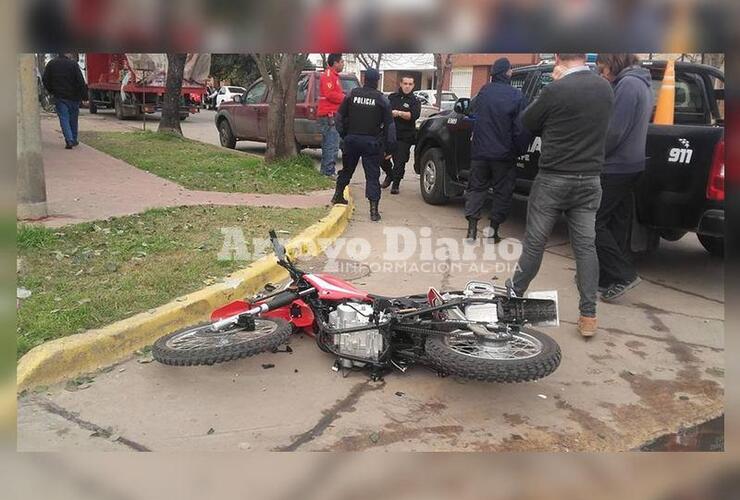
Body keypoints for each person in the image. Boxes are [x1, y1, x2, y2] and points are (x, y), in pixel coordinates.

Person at [506, 54, 614, 338]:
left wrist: (551, 87)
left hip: (554, 178)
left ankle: (513, 295)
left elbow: (528, 120)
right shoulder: (604, 87)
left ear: (557, 59)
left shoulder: (556, 89)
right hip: (590, 180)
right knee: (585, 247)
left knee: (535, 242)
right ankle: (588, 315)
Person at [595, 54, 653, 302]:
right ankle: (609, 278)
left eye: (603, 69)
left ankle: (623, 274)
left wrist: (595, 155)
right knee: (615, 223)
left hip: (616, 166)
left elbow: (615, 131)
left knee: (591, 222)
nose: (603, 75)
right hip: (631, 164)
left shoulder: (628, 85)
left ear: (613, 63)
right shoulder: (641, 82)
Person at [464, 57, 530, 243]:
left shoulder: (484, 91)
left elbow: (472, 113)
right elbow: (521, 129)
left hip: (480, 153)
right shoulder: (516, 96)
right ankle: (492, 232)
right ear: (507, 72)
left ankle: (471, 231)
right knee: (502, 192)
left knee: (476, 189)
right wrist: (519, 150)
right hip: (503, 155)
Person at [331, 69, 396, 222]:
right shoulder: (381, 99)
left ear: (365, 79)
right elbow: (390, 127)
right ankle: (373, 211)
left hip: (352, 140)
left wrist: (344, 135)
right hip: (371, 143)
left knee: (347, 170)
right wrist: (390, 147)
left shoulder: (351, 94)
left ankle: (337, 196)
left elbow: (339, 117)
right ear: (377, 80)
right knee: (372, 176)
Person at [382, 74, 421, 194]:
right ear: (401, 84)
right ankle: (390, 175)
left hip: (405, 136)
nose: (407, 86)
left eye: (410, 84)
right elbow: (384, 111)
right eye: (405, 84)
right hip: (389, 134)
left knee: (399, 161)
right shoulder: (392, 97)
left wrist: (398, 113)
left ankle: (396, 184)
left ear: (413, 86)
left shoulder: (415, 101)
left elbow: (413, 115)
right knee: (381, 158)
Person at [42, 53, 88, 149]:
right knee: (73, 119)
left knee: (64, 118)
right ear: (67, 54)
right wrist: (84, 96)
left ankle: (69, 139)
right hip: (74, 97)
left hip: (60, 96)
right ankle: (74, 139)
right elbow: (80, 81)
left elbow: (45, 79)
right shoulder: (73, 64)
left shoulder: (51, 64)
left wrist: (51, 90)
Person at [318, 53, 346, 178]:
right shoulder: (329, 76)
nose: (343, 64)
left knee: (329, 144)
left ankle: (325, 171)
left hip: (332, 115)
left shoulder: (334, 76)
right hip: (329, 115)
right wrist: (345, 99)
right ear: (335, 63)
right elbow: (330, 94)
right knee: (332, 145)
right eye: (342, 62)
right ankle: (328, 172)